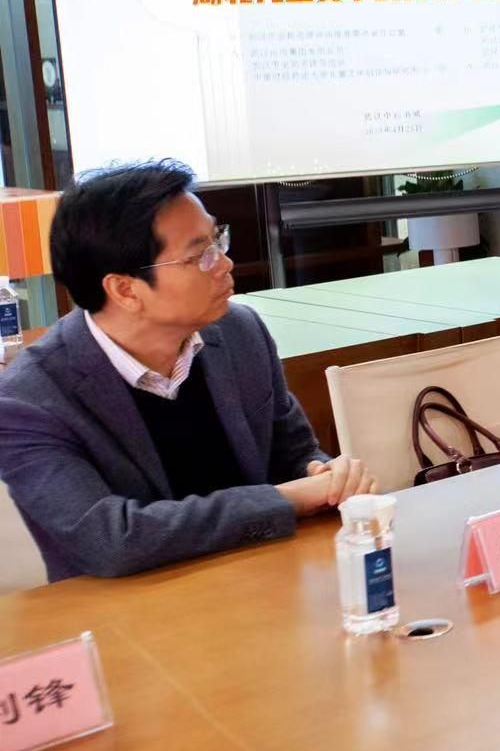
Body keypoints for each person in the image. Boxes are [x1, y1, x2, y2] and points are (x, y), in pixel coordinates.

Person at [0, 161, 375, 581]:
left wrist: (324, 474)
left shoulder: (239, 333)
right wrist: (287, 499)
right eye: (199, 255)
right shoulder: (28, 400)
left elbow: (293, 453)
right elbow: (110, 541)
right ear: (124, 289)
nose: (225, 263)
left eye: (218, 239)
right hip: (127, 611)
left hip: (262, 585)